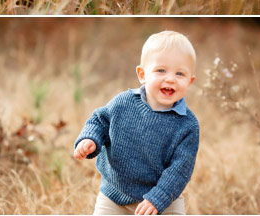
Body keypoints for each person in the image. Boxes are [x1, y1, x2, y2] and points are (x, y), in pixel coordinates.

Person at [73, 31, 200, 215]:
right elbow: (100, 121)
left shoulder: (187, 125)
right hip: (114, 196)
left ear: (190, 81)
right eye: (161, 70)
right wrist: (90, 139)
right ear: (142, 74)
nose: (170, 78)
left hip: (163, 199)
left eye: (180, 73)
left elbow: (180, 169)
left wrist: (159, 197)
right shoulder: (123, 103)